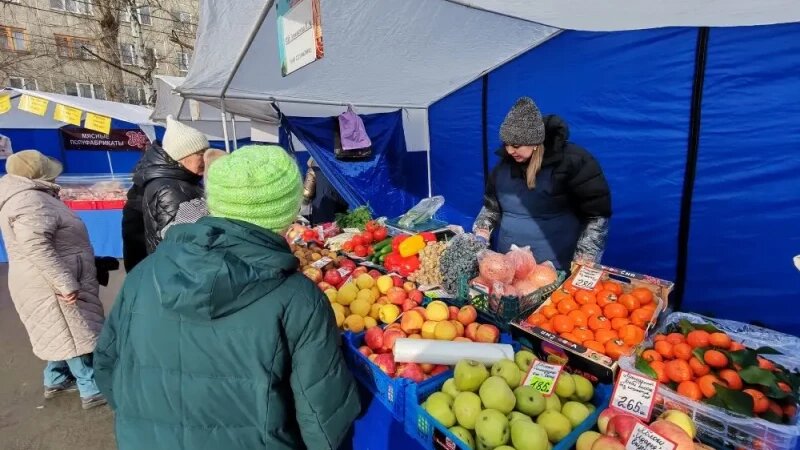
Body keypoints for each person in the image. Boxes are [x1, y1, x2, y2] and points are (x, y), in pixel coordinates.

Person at [95, 145, 360, 450]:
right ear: (288, 212)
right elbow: (322, 418)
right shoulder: (299, 298)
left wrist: (150, 424)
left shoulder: (145, 273)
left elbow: (106, 366)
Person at [0, 150, 106, 409]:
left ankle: (55, 379)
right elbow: (36, 245)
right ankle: (91, 388)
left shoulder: (32, 197)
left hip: (48, 279)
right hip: (51, 283)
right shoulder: (29, 201)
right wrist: (64, 282)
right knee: (74, 334)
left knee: (57, 333)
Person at [473, 97, 611, 270]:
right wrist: (481, 233)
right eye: (506, 144)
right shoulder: (503, 167)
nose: (509, 151)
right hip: (508, 266)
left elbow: (596, 216)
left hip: (554, 266)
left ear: (535, 142)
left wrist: (584, 261)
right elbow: (491, 207)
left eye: (516, 145)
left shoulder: (574, 162)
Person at [121, 116, 208, 271]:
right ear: (180, 156)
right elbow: (182, 245)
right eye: (199, 153)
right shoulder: (170, 189)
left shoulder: (181, 181)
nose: (205, 159)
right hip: (179, 274)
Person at [301, 157, 349, 225]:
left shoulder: (314, 169)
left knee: (324, 231)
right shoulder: (346, 167)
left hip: (322, 209)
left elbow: (307, 193)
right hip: (344, 206)